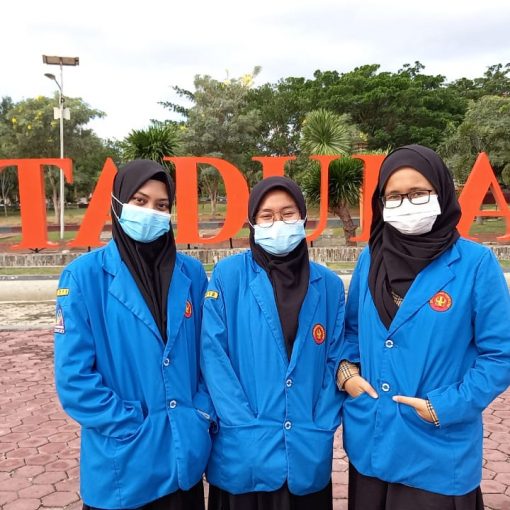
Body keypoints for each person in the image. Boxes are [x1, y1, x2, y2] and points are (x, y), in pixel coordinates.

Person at [338, 144, 510, 510]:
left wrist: (445, 406)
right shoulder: (371, 257)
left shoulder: (475, 264)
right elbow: (351, 331)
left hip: (436, 450)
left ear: (442, 193)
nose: (406, 204)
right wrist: (347, 372)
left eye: (418, 193)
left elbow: (501, 355)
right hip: (371, 443)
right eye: (394, 196)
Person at [54, 160, 213, 510]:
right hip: (124, 465)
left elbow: (208, 355)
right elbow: (74, 380)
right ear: (118, 203)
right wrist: (131, 424)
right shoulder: (84, 277)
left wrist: (199, 415)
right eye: (140, 201)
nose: (151, 213)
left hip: (183, 460)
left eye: (162, 205)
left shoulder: (191, 273)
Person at [200, 176, 345, 510]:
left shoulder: (329, 285)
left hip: (306, 450)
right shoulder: (228, 276)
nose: (278, 223)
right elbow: (213, 356)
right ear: (252, 223)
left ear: (303, 218)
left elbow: (334, 359)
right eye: (266, 216)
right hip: (243, 451)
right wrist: (243, 425)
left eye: (287, 213)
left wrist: (320, 423)